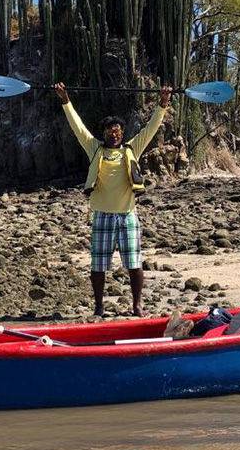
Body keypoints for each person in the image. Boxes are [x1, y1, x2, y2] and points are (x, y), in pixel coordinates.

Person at [54, 83, 172, 316]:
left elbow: (151, 128)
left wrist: (163, 103)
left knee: (134, 262)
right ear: (104, 134)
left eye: (117, 131)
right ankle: (99, 306)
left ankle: (137, 304)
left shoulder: (132, 149)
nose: (114, 135)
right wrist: (65, 100)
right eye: (110, 131)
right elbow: (78, 127)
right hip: (102, 216)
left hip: (128, 216)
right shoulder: (94, 149)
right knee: (98, 265)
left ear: (122, 133)